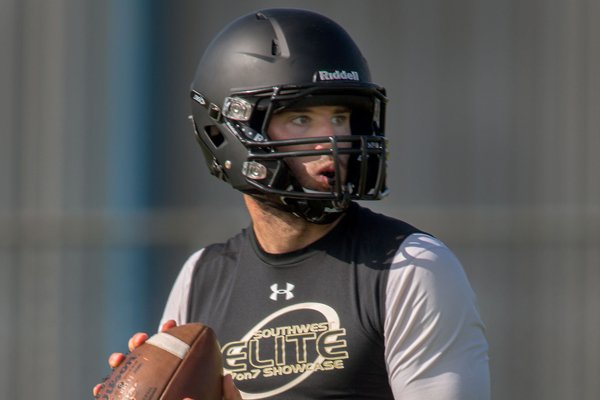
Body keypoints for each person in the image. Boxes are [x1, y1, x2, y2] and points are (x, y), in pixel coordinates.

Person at [96, 8, 490, 400]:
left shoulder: (410, 268)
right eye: (300, 119)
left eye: (339, 117)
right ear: (229, 132)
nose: (330, 142)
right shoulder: (201, 277)